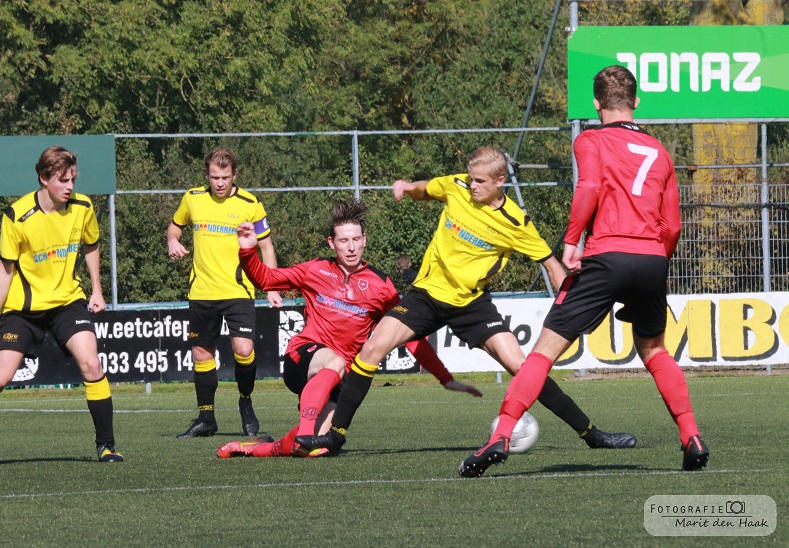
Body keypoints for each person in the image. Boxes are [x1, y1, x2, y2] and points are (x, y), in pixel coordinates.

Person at [296, 146, 637, 455]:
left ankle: (591, 434)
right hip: (426, 295)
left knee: (524, 368)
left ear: (500, 181)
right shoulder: (457, 186)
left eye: (480, 181)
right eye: (471, 178)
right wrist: (406, 186)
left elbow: (552, 266)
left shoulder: (516, 222)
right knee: (372, 349)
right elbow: (427, 189)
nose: (472, 185)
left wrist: (574, 309)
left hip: (472, 305)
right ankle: (336, 436)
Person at [459, 66, 708, 478]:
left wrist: (572, 241)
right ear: (636, 102)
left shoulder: (590, 140)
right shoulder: (660, 151)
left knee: (543, 353)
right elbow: (673, 226)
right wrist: (654, 263)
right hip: (652, 259)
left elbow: (589, 188)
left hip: (606, 256)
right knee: (655, 351)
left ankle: (500, 436)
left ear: (596, 103)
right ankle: (691, 436)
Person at [216, 199, 481, 458]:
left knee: (315, 449)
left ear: (365, 239)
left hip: (341, 379)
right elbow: (266, 279)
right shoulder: (315, 269)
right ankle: (306, 431)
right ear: (332, 243)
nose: (351, 247)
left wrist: (444, 377)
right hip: (303, 359)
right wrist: (248, 251)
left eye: (356, 239)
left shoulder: (381, 286)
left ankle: (256, 447)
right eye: (344, 241)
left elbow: (410, 336)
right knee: (334, 363)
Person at [0, 145, 122, 462]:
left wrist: (97, 290)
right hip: (23, 311)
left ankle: (106, 446)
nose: (70, 186)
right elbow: (5, 270)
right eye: (63, 180)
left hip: (67, 302)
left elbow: (91, 245)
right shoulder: (17, 216)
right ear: (44, 178)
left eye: (73, 179)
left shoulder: (83, 207)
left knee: (92, 364)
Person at [167, 147, 282, 438]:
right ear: (207, 175)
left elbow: (266, 246)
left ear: (234, 175)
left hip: (238, 290)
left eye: (225, 177)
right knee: (201, 353)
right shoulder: (192, 198)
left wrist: (271, 285)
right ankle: (206, 418)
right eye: (215, 177)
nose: (220, 183)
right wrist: (172, 241)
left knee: (244, 349)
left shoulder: (250, 203)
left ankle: (245, 400)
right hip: (202, 291)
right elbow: (175, 227)